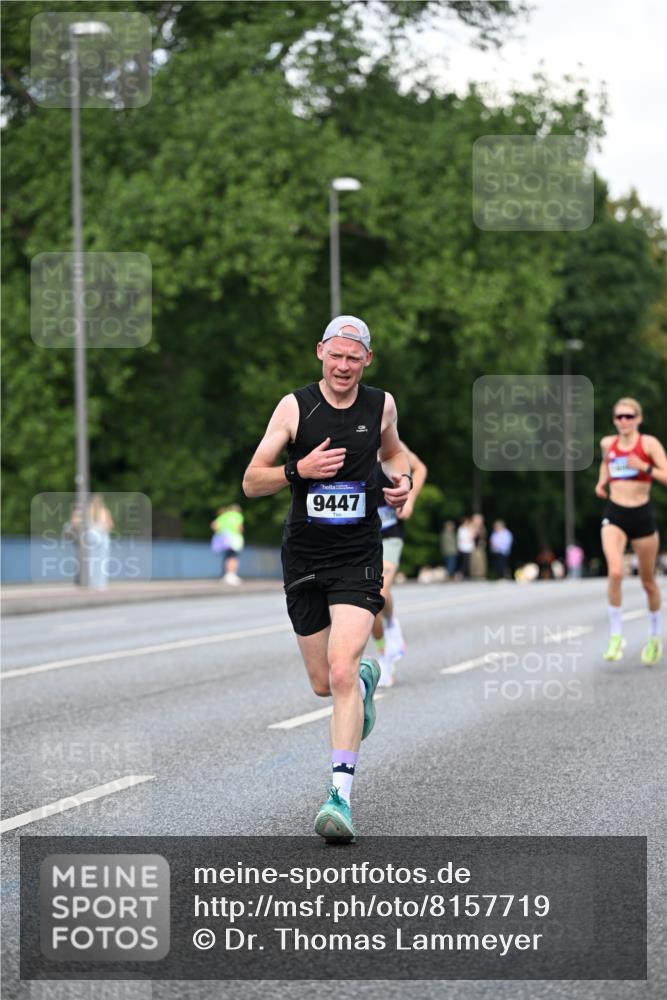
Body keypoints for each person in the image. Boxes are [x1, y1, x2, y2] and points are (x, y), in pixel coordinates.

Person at [242, 315, 411, 842]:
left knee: (339, 670)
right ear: (321, 352)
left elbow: (395, 451)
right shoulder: (295, 407)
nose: (343, 366)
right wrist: (299, 471)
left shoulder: (380, 404)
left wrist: (400, 481)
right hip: (305, 558)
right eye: (335, 355)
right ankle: (365, 681)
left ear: (367, 360)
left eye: (353, 357)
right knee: (324, 683)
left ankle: (339, 797)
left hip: (359, 553)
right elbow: (251, 481)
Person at [596, 397, 667, 664]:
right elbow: (606, 463)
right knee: (615, 572)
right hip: (615, 513)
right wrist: (601, 482)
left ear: (638, 418)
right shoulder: (607, 443)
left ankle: (654, 637)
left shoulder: (648, 444)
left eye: (629, 416)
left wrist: (645, 467)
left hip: (642, 516)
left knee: (648, 583)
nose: (624, 421)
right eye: (619, 417)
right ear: (614, 420)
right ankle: (616, 638)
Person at [372, 443, 427, 686]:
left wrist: (410, 499)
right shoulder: (341, 437)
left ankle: (391, 623)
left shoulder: (389, 442)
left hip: (390, 532)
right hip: (359, 535)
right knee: (367, 601)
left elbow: (420, 468)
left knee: (379, 590)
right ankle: (384, 652)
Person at [210, 504, 244, 584]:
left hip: (224, 539)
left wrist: (220, 531)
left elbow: (214, 525)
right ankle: (231, 575)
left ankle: (225, 575)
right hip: (234, 538)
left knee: (227, 557)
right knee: (233, 557)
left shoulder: (224, 515)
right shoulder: (237, 515)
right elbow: (239, 527)